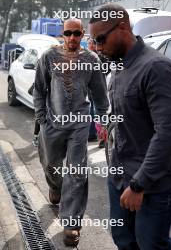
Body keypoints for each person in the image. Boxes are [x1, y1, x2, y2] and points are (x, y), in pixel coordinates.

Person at [89, 3, 171, 250]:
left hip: (153, 183)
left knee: (151, 244)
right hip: (119, 176)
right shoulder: (117, 69)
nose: (96, 47)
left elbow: (168, 133)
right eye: (93, 41)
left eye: (100, 39)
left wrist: (139, 184)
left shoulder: (156, 68)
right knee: (124, 240)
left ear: (123, 27)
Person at [33, 18, 109, 247]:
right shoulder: (48, 57)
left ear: (83, 34)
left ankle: (72, 223)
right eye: (68, 33)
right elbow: (39, 89)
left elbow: (100, 96)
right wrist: (42, 119)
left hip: (79, 125)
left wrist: (102, 122)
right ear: (63, 34)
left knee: (76, 173)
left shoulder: (92, 60)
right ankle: (55, 187)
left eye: (77, 33)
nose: (72, 38)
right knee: (50, 165)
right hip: (52, 123)